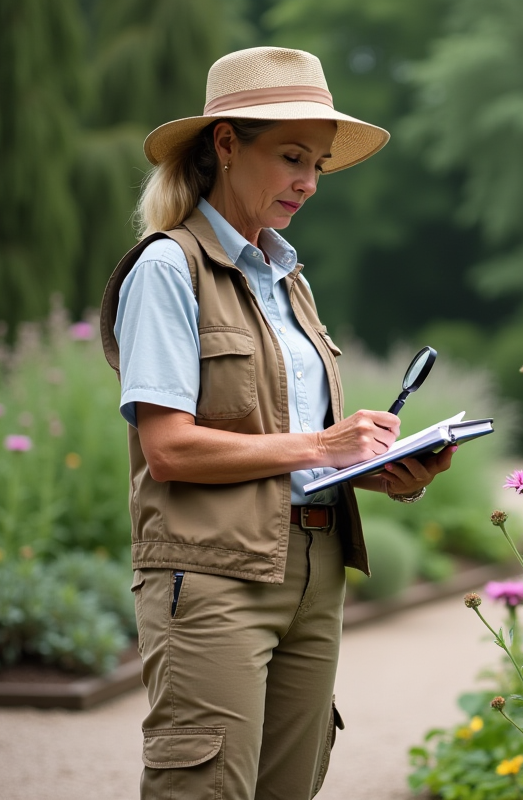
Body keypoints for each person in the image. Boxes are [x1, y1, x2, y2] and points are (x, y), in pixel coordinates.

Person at [98, 46, 455, 799]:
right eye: (293, 157)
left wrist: (381, 469)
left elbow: (294, 450)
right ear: (226, 143)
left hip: (315, 574)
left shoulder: (288, 280)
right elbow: (167, 448)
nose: (309, 182)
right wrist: (323, 443)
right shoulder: (168, 268)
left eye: (319, 164)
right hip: (213, 577)